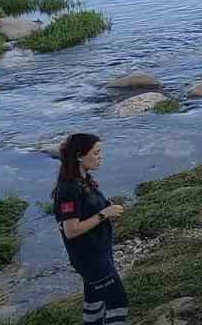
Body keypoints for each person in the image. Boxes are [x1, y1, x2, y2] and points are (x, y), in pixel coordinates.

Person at [52, 133, 128, 325]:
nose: (100, 156)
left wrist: (104, 208)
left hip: (99, 251)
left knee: (94, 302)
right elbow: (71, 230)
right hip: (90, 258)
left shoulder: (84, 180)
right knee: (118, 301)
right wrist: (105, 213)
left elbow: (87, 210)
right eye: (96, 152)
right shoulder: (69, 189)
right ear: (79, 156)